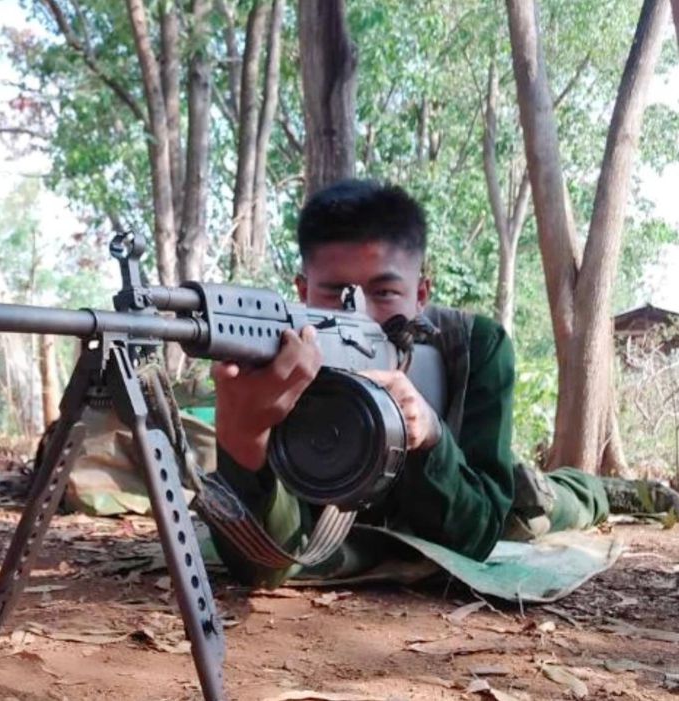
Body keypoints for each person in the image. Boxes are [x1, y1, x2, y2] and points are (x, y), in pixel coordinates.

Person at [209, 178, 679, 587]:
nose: (359, 313)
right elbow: (266, 563)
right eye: (335, 293)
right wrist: (244, 439)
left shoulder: (475, 348)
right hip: (354, 515)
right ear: (302, 292)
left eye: (384, 292)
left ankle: (606, 490)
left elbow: (477, 535)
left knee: (545, 504)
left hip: (475, 485)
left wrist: (430, 435)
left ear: (421, 294)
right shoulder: (277, 359)